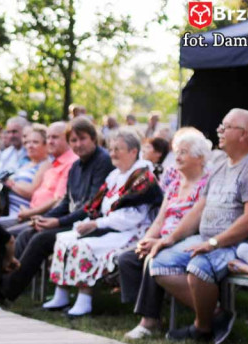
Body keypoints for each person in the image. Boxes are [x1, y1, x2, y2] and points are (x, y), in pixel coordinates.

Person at [150, 108, 248, 344]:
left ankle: (202, 328)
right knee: (160, 262)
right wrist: (171, 238)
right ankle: (217, 316)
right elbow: (199, 207)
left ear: (243, 134)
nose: (219, 130)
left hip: (243, 244)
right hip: (210, 238)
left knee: (199, 267)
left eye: (225, 127)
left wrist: (213, 243)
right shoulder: (221, 163)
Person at [43, 129, 161, 317]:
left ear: (133, 152)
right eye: (111, 149)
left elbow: (132, 218)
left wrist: (97, 224)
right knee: (64, 238)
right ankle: (62, 294)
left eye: (118, 149)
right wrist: (88, 222)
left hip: (133, 233)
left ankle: (84, 299)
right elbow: (96, 206)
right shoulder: (114, 176)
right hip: (109, 227)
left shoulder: (142, 175)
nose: (112, 153)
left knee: (84, 245)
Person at [2, 116, 114, 301]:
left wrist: (57, 221)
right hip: (72, 220)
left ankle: (7, 291)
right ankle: (4, 284)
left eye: (82, 139)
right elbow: (65, 202)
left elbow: (93, 205)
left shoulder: (103, 161)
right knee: (28, 232)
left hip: (91, 223)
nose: (78, 144)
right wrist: (45, 218)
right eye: (74, 140)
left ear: (93, 138)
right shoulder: (76, 166)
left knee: (40, 239)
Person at [119, 127, 211, 340]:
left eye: (183, 152)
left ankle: (148, 321)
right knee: (127, 258)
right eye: (176, 151)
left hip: (184, 238)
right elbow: (160, 218)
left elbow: (194, 222)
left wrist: (161, 242)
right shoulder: (176, 183)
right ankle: (148, 312)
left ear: (199, 157)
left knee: (154, 258)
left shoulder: (205, 184)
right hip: (164, 237)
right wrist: (148, 239)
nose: (176, 157)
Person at [2, 123, 50, 220]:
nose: (29, 146)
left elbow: (32, 191)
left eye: (35, 142)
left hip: (21, 213)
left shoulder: (46, 165)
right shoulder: (25, 164)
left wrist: (11, 183)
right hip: (6, 209)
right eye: (27, 142)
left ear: (46, 144)